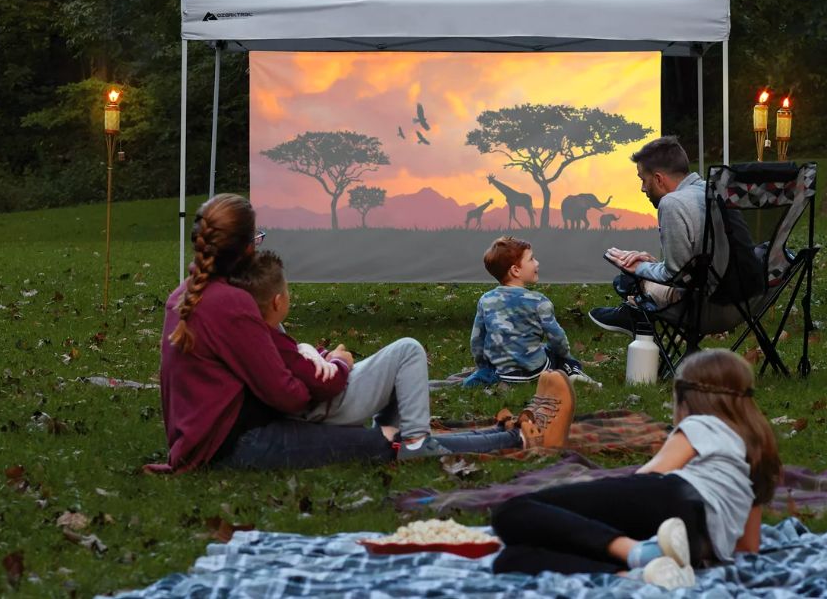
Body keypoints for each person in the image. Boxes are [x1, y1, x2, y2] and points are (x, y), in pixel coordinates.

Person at [153, 193, 575, 473]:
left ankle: (428, 435)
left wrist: (313, 365)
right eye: (258, 239)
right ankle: (519, 436)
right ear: (246, 248)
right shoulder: (229, 305)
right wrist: (333, 367)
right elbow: (288, 394)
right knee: (389, 441)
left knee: (389, 426)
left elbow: (273, 370)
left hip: (220, 433)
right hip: (235, 445)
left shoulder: (192, 293)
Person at [489, 349, 781, 589]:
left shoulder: (704, 424)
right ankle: (640, 573)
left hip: (673, 501)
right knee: (512, 560)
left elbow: (651, 477)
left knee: (512, 511)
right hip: (695, 548)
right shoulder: (753, 453)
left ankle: (637, 552)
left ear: (686, 399)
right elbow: (747, 548)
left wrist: (597, 500)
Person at [589, 136, 763, 336]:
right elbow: (694, 263)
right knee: (642, 273)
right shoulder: (716, 191)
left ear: (658, 179)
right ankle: (632, 310)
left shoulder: (672, 203)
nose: (642, 188)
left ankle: (633, 314)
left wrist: (639, 268)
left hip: (710, 309)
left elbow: (676, 275)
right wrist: (653, 263)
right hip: (749, 301)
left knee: (627, 280)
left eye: (643, 180)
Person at [464, 236, 596, 388]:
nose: (537, 263)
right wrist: (565, 356)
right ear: (515, 270)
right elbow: (557, 337)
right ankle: (572, 371)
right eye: (531, 259)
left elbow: (477, 340)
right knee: (553, 352)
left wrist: (483, 366)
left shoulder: (485, 300)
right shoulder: (539, 301)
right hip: (536, 372)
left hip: (502, 372)